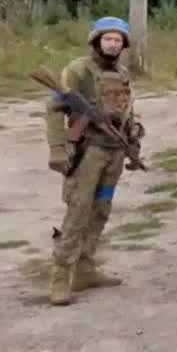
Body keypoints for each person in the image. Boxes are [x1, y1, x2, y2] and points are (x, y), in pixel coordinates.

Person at [44, 16, 145, 306]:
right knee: (78, 211)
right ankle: (61, 277)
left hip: (114, 153)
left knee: (101, 208)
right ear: (97, 40)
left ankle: (86, 270)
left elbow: (128, 112)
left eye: (118, 40)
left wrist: (133, 144)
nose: (113, 44)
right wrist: (56, 148)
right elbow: (53, 108)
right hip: (89, 153)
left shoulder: (123, 72)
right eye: (108, 39)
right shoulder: (78, 70)